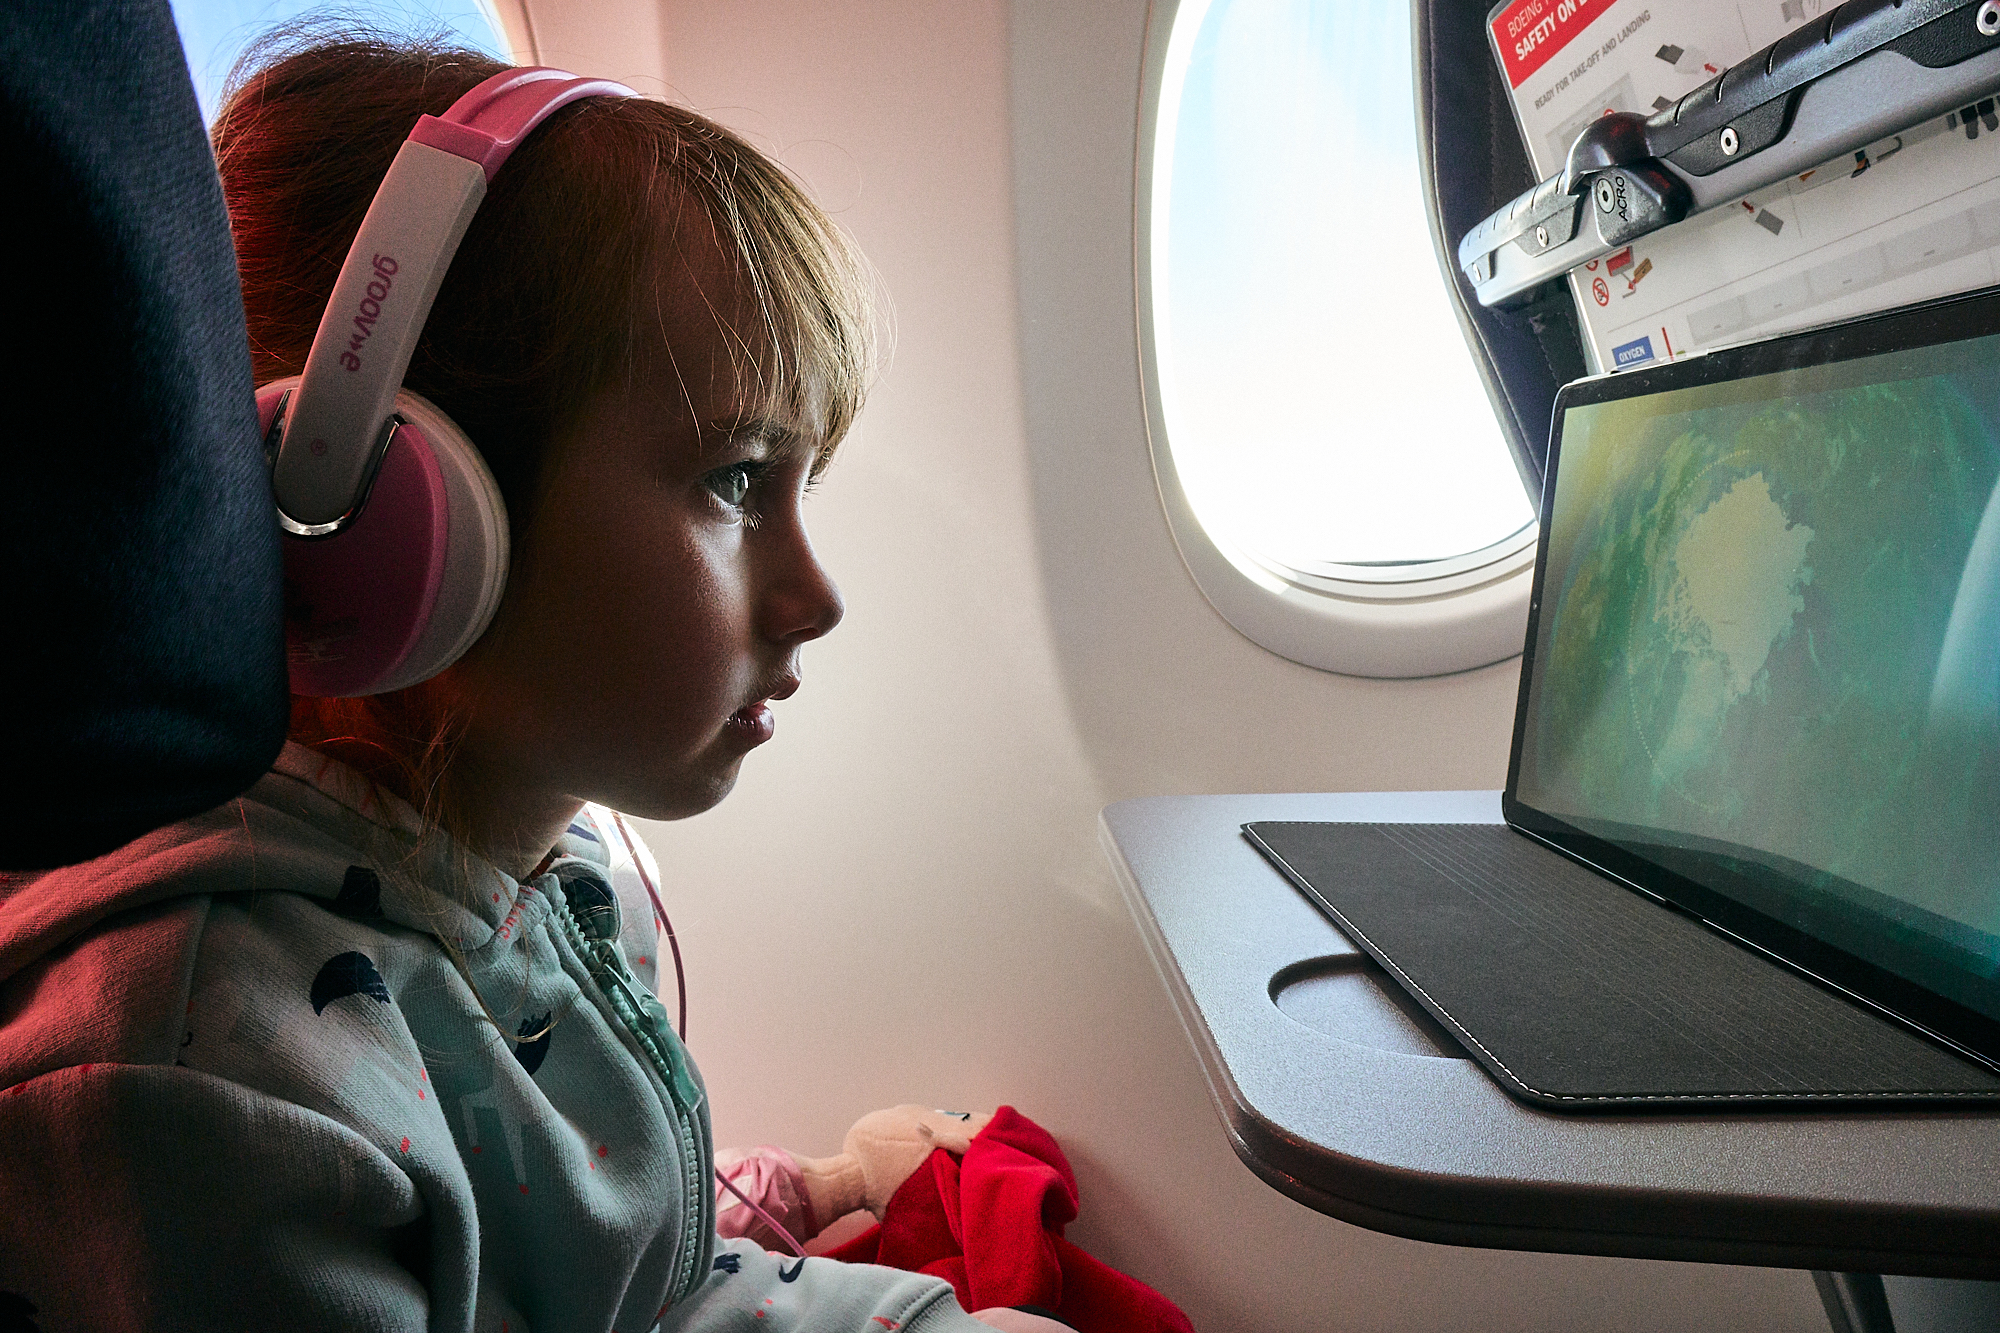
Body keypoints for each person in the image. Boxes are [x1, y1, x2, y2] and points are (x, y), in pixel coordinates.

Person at [0, 31, 1068, 1333]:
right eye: (737, 481)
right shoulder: (221, 1089)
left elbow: (640, 1288)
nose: (819, 598)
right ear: (390, 499)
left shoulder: (547, 856)